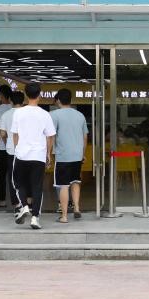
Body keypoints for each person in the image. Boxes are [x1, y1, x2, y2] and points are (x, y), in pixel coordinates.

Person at [10, 82, 55, 230]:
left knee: (18, 183)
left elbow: (15, 134)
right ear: (39, 95)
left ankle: (24, 206)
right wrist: (48, 154)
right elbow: (50, 136)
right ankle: (35, 218)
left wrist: (17, 149)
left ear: (25, 94)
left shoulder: (18, 113)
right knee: (37, 187)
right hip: (38, 155)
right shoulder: (45, 114)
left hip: (21, 154)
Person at [50, 88, 89, 223]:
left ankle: (64, 216)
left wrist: (48, 153)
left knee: (63, 185)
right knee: (75, 181)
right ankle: (77, 208)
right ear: (71, 100)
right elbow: (85, 137)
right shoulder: (80, 115)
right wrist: (82, 153)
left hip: (63, 156)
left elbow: (51, 136)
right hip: (77, 155)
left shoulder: (54, 115)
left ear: (58, 100)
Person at [0, 89, 25, 211]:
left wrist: (7, 142)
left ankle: (16, 203)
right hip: (27, 150)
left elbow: (2, 134)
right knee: (26, 175)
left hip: (11, 150)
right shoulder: (27, 114)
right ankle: (27, 201)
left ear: (11, 101)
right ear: (23, 101)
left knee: (12, 177)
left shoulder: (5, 115)